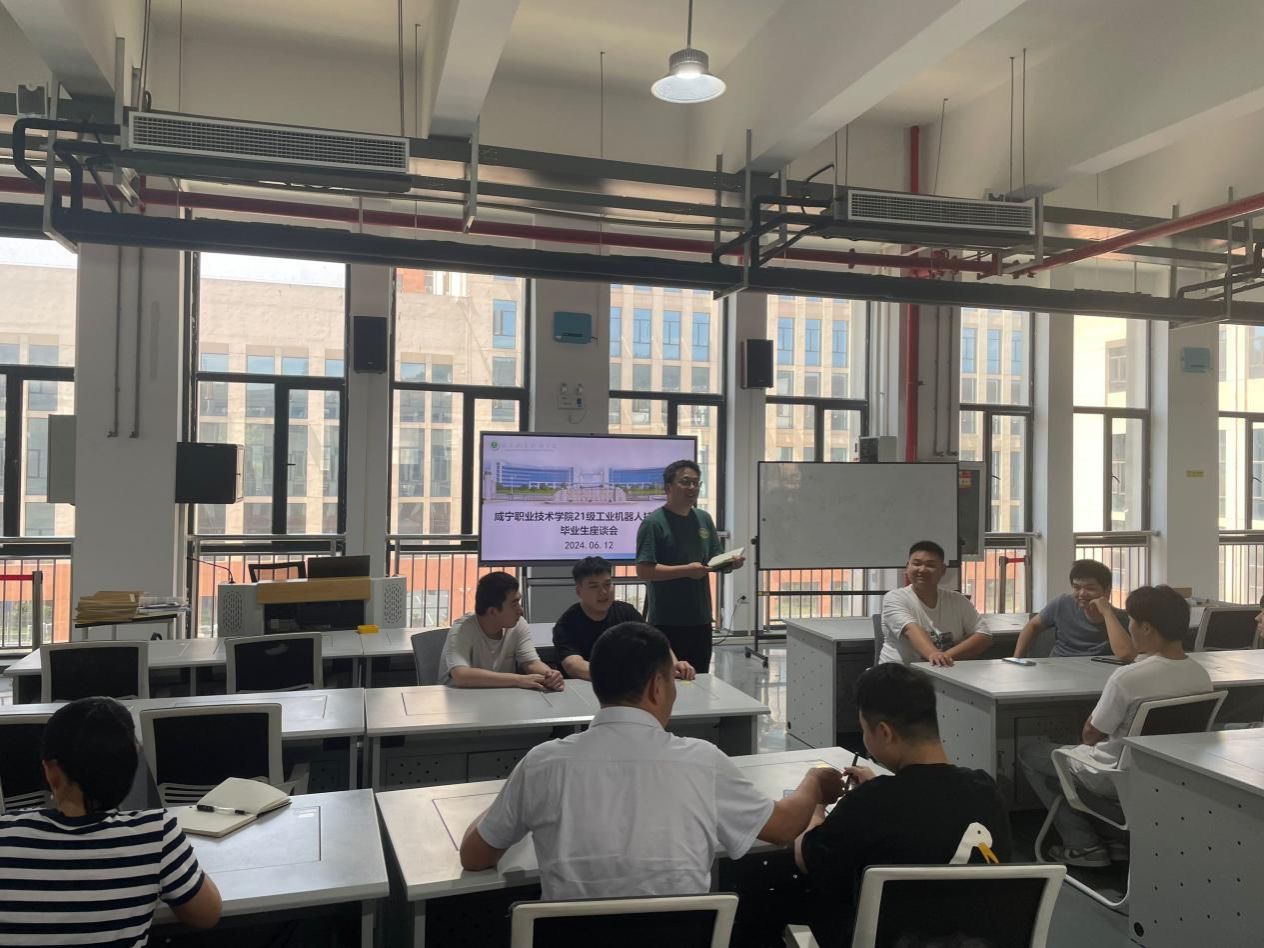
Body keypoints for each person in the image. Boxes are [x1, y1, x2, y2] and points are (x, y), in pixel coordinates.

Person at [459, 621, 843, 899]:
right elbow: (783, 828)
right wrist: (814, 782)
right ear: (657, 687)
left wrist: (508, 800)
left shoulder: (543, 764)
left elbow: (474, 856)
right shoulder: (702, 762)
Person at [741, 664, 1011, 948]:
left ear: (884, 732)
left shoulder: (870, 803)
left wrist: (818, 802)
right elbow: (928, 810)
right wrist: (880, 786)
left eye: (864, 730)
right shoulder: (987, 791)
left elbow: (805, 856)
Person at [0, 696, 222, 945]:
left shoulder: (5, 836)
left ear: (51, 771)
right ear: (133, 765)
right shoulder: (155, 834)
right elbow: (207, 915)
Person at [1019, 585, 1213, 868]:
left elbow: (1090, 735)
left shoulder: (1128, 677)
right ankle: (1113, 838)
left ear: (1146, 628)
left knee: (1031, 753)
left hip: (1113, 777)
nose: (1129, 627)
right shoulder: (1201, 675)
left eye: (1131, 621)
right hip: (1166, 777)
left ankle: (1082, 844)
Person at [635, 459, 743, 674]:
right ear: (668, 487)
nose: (692, 488)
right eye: (685, 482)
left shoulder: (703, 518)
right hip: (667, 620)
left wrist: (729, 564)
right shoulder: (654, 523)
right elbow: (644, 570)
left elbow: (713, 559)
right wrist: (686, 570)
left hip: (700, 618)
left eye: (696, 483)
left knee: (699, 678)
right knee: (669, 679)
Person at [552, 555, 695, 681]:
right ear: (579, 591)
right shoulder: (567, 623)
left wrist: (674, 664)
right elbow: (573, 665)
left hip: (627, 689)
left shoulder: (626, 612)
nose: (603, 592)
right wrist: (617, 675)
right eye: (594, 586)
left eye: (608, 584)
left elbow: (656, 643)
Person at [441, 571, 563, 690]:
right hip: (458, 697)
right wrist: (518, 680)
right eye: (514, 604)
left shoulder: (518, 624)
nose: (520, 610)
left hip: (499, 695)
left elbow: (531, 663)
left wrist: (549, 675)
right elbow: (461, 675)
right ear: (492, 611)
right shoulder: (462, 629)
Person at [879, 540, 992, 666]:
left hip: (943, 671)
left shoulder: (957, 600)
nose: (922, 569)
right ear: (907, 566)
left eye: (930, 565)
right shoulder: (895, 598)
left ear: (943, 570)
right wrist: (934, 655)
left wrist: (944, 656)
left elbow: (984, 635)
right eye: (916, 564)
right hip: (898, 673)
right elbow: (910, 630)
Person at [1013, 559, 1134, 659]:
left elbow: (1125, 654)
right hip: (1057, 668)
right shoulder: (1062, 603)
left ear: (1107, 590)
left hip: (1095, 673)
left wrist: (1107, 613)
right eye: (1076, 587)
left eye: (1090, 588)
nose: (1082, 593)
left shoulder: (1120, 619)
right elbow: (1032, 625)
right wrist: (1016, 659)